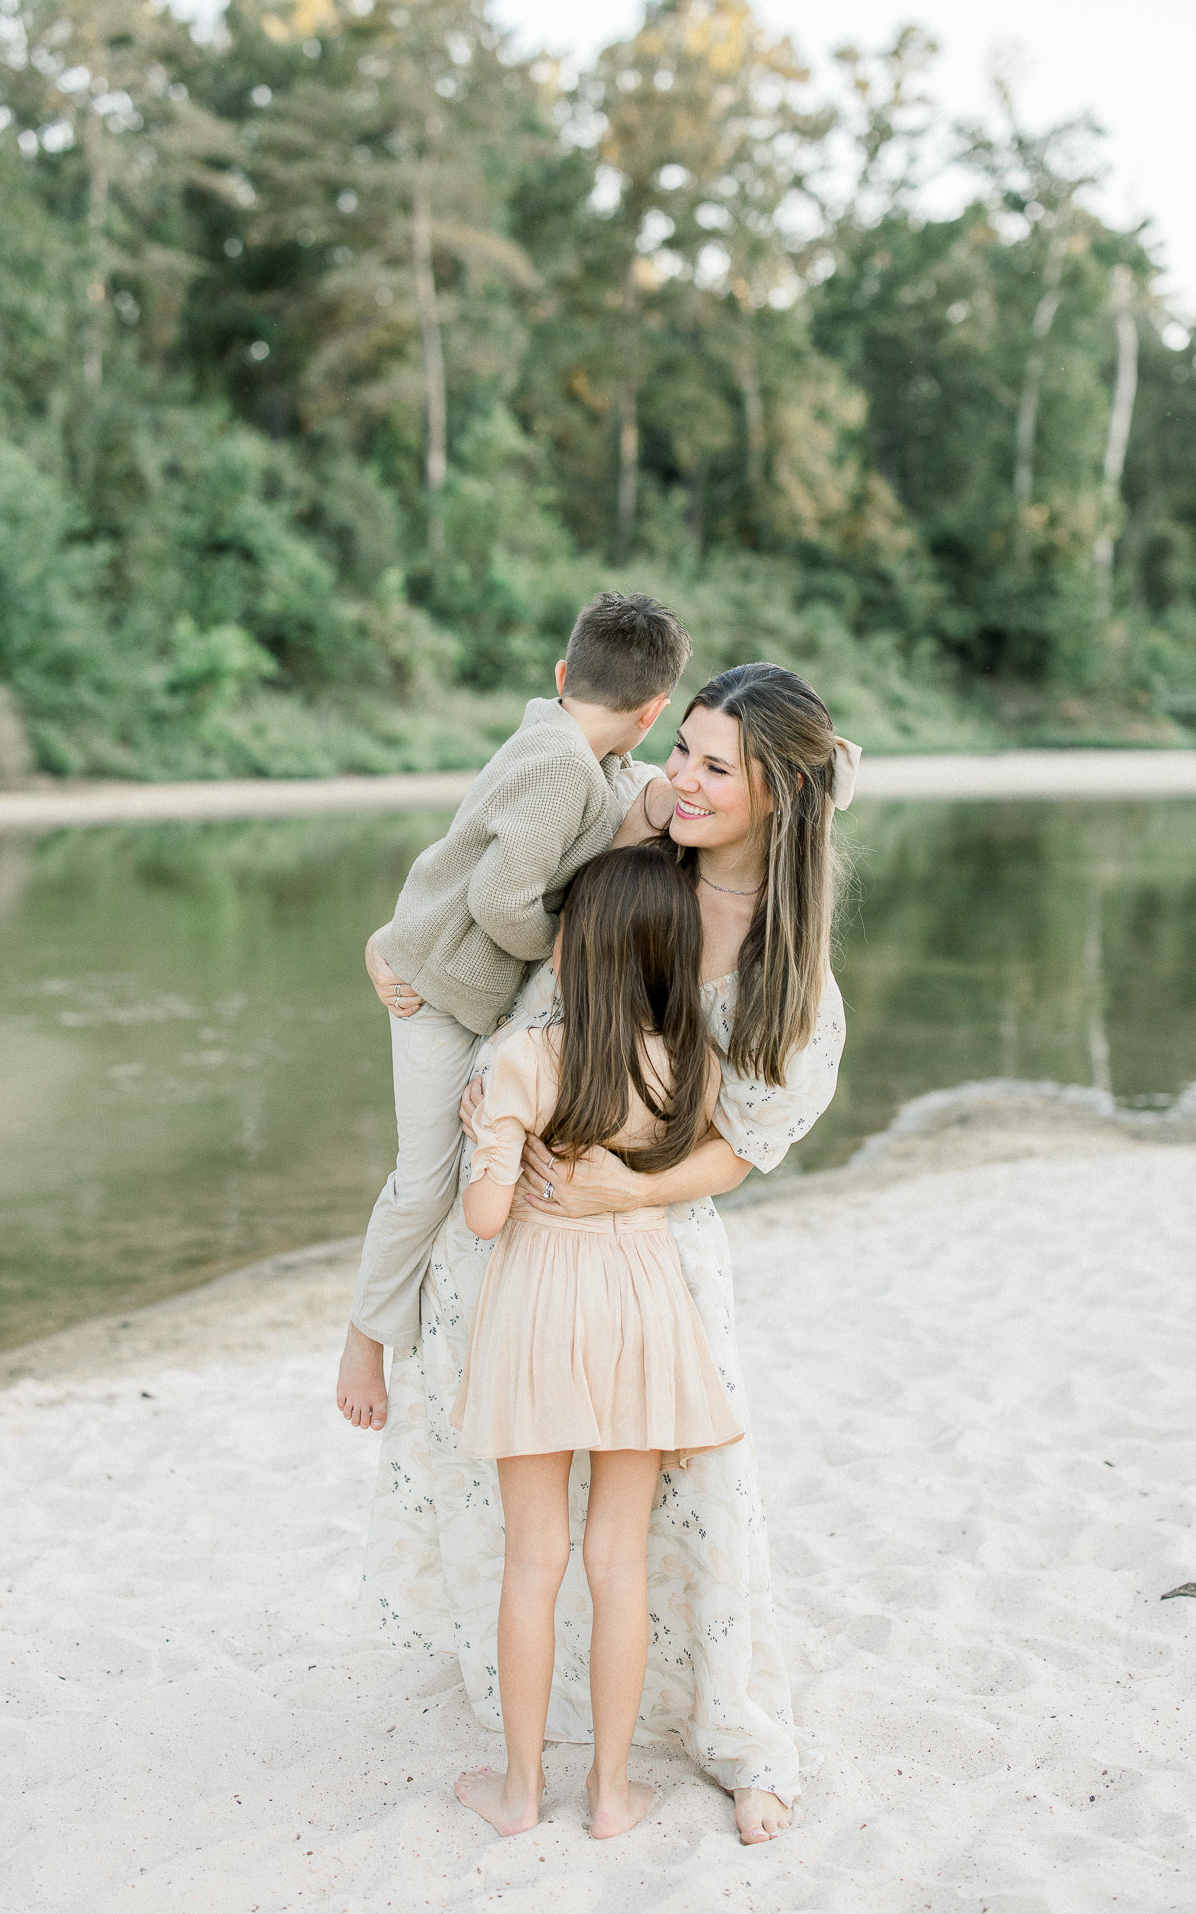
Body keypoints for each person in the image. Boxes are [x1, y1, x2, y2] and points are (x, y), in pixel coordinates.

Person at [351, 662, 860, 1847]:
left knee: (694, 1509)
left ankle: (725, 1729)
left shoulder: (786, 966)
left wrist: (624, 1185)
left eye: (715, 766)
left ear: (780, 793)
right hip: (521, 1228)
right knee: (538, 1525)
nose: (680, 778)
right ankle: (564, 1739)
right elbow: (486, 888)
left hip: (645, 1246)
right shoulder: (634, 837)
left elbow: (743, 1145)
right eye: (681, 747)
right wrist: (400, 957)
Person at [335, 593, 690, 1436]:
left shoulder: (571, 750)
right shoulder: (560, 767)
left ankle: (420, 1327)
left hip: (451, 980)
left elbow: (621, 789)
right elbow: (499, 900)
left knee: (462, 1159)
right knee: (425, 1179)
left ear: (564, 673)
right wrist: (563, 949)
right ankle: (363, 1335)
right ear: (652, 710)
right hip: (433, 994)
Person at [451, 844, 742, 1839]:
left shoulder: (526, 1058)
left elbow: (485, 1216)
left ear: (574, 949)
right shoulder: (689, 1063)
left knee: (532, 1559)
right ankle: (611, 1793)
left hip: (540, 1299)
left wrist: (486, 1134)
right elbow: (716, 1160)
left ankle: (521, 1790)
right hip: (642, 1302)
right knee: (619, 1561)